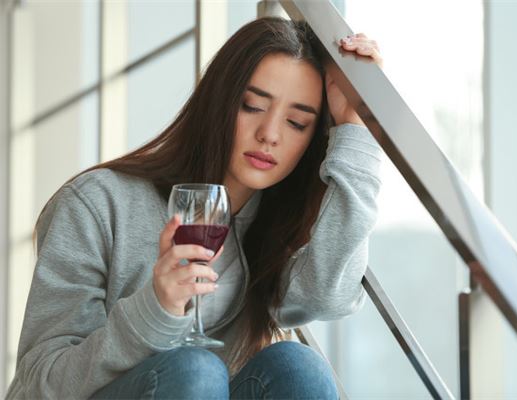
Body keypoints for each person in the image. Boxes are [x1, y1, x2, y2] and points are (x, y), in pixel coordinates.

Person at [7, 16, 383, 399]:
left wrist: (357, 129)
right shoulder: (97, 203)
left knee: (300, 367)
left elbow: (327, 296)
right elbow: (38, 385)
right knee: (197, 371)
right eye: (252, 106)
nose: (269, 134)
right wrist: (155, 309)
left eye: (296, 122)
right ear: (218, 102)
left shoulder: (273, 229)